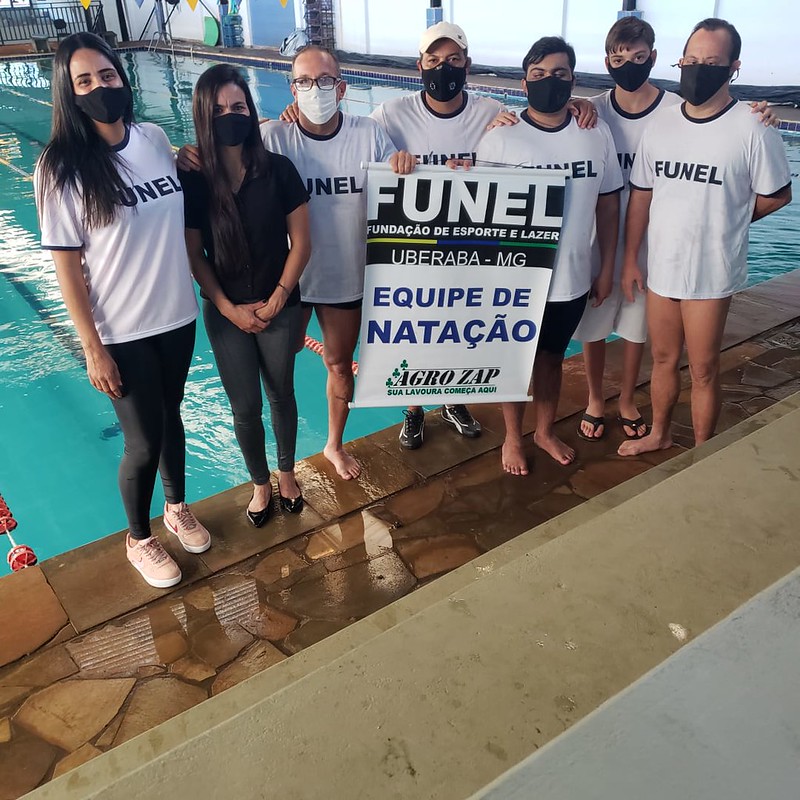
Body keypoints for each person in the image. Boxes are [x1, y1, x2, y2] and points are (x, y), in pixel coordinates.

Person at [35, 33, 210, 589]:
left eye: (106, 75)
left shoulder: (153, 139)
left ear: (122, 77)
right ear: (68, 92)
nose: (99, 87)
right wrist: (93, 348)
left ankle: (176, 508)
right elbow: (67, 268)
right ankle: (138, 538)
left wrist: (189, 159)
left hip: (176, 316)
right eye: (84, 80)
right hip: (121, 330)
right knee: (142, 441)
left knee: (172, 415)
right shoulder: (59, 167)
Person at [618, 18, 791, 457]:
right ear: (680, 61)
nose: (699, 69)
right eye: (692, 60)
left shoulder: (753, 127)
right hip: (663, 265)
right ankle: (659, 433)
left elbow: (778, 194)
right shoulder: (662, 124)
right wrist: (632, 257)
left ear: (733, 67)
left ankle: (699, 455)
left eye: (711, 62)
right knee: (662, 359)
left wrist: (731, 218)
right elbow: (642, 194)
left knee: (703, 369)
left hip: (711, 272)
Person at [476, 36, 624, 476]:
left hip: (571, 277)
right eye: (538, 74)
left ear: (573, 80)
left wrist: (606, 267)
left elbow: (609, 205)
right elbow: (477, 217)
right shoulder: (501, 137)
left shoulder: (593, 131)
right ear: (524, 84)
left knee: (551, 359)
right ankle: (512, 436)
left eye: (559, 74)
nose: (549, 81)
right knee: (513, 361)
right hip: (514, 281)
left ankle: (543, 431)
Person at [179, 65, 311, 527]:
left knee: (281, 393)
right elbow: (195, 255)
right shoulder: (193, 180)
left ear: (251, 112)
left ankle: (287, 473)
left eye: (238, 106)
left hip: (280, 305)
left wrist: (278, 297)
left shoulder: (279, 170)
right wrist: (227, 307)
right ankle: (260, 483)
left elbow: (302, 242)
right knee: (245, 407)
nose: (229, 116)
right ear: (203, 115)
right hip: (225, 311)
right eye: (218, 110)